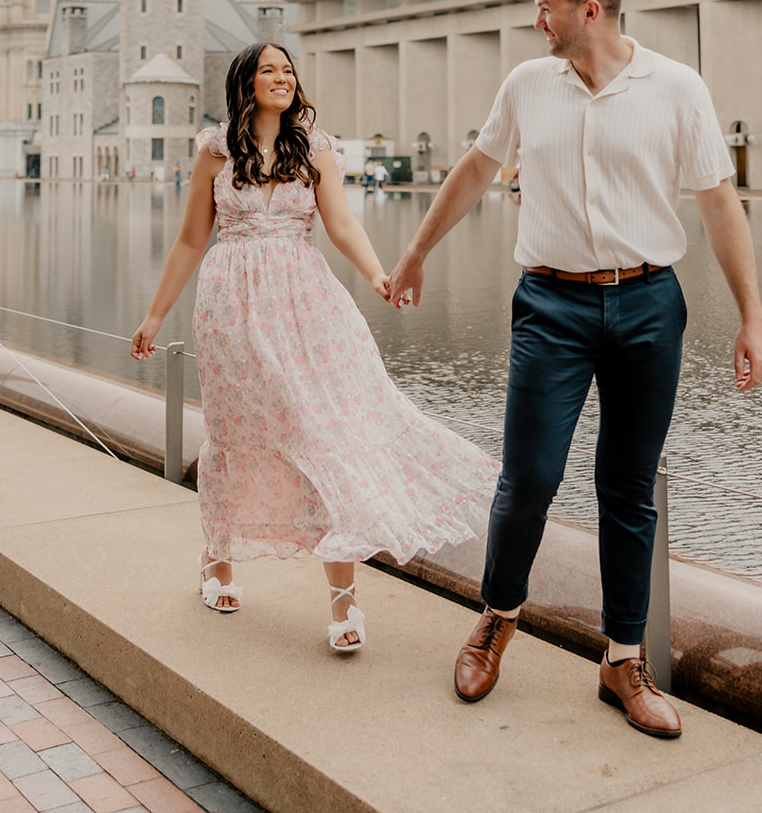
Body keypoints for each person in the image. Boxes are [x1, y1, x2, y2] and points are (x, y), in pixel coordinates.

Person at [388, 0, 762, 737]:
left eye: (546, 7)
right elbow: (471, 171)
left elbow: (718, 204)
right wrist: (417, 250)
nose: (538, 21)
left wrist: (751, 315)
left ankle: (621, 661)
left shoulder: (675, 88)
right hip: (550, 307)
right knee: (526, 478)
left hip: (647, 305)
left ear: (586, 8)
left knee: (625, 490)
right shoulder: (528, 85)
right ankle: (497, 617)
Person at [131, 42, 498, 652]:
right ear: (245, 83)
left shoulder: (316, 148)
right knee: (239, 435)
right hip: (232, 310)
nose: (281, 77)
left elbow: (343, 225)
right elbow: (191, 240)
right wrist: (153, 315)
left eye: (287, 69)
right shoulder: (215, 150)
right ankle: (217, 559)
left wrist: (381, 274)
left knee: (327, 437)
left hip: (308, 307)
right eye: (268, 70)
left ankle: (343, 600)